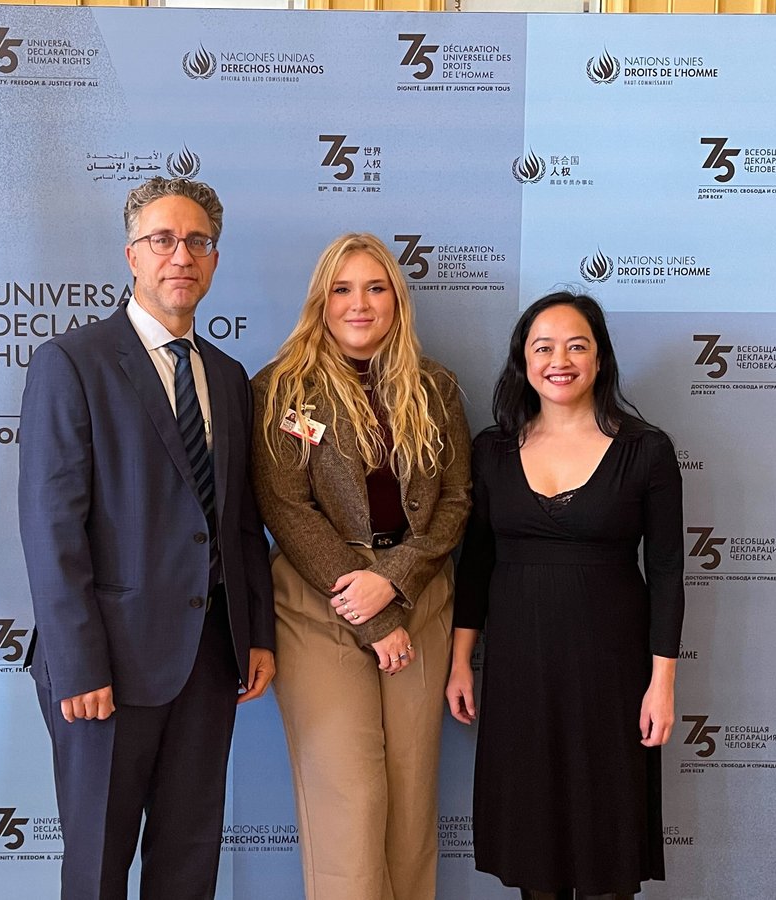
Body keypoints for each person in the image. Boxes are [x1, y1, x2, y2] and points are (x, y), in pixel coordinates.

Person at [17, 176, 276, 900]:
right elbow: (51, 524)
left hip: (208, 657)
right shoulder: (72, 362)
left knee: (189, 861)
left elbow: (238, 520)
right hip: (107, 667)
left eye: (198, 241)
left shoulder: (227, 377)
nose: (181, 255)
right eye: (163, 239)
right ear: (132, 254)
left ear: (215, 261)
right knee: (97, 865)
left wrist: (256, 633)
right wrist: (77, 662)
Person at [251, 232, 471, 900]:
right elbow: (287, 511)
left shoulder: (435, 387)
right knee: (350, 805)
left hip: (420, 601)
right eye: (343, 289)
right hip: (320, 612)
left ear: (397, 301)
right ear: (321, 301)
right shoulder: (281, 390)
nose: (359, 304)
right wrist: (371, 617)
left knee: (409, 810)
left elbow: (457, 500)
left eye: (376, 288)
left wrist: (397, 581)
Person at [446, 292, 684, 900]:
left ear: (600, 359)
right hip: (520, 671)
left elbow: (666, 574)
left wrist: (662, 684)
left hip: (612, 674)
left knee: (607, 848)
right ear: (522, 361)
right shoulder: (491, 449)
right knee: (535, 850)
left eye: (577, 345)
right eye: (543, 346)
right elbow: (474, 567)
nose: (560, 359)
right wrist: (460, 663)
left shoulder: (646, 450)